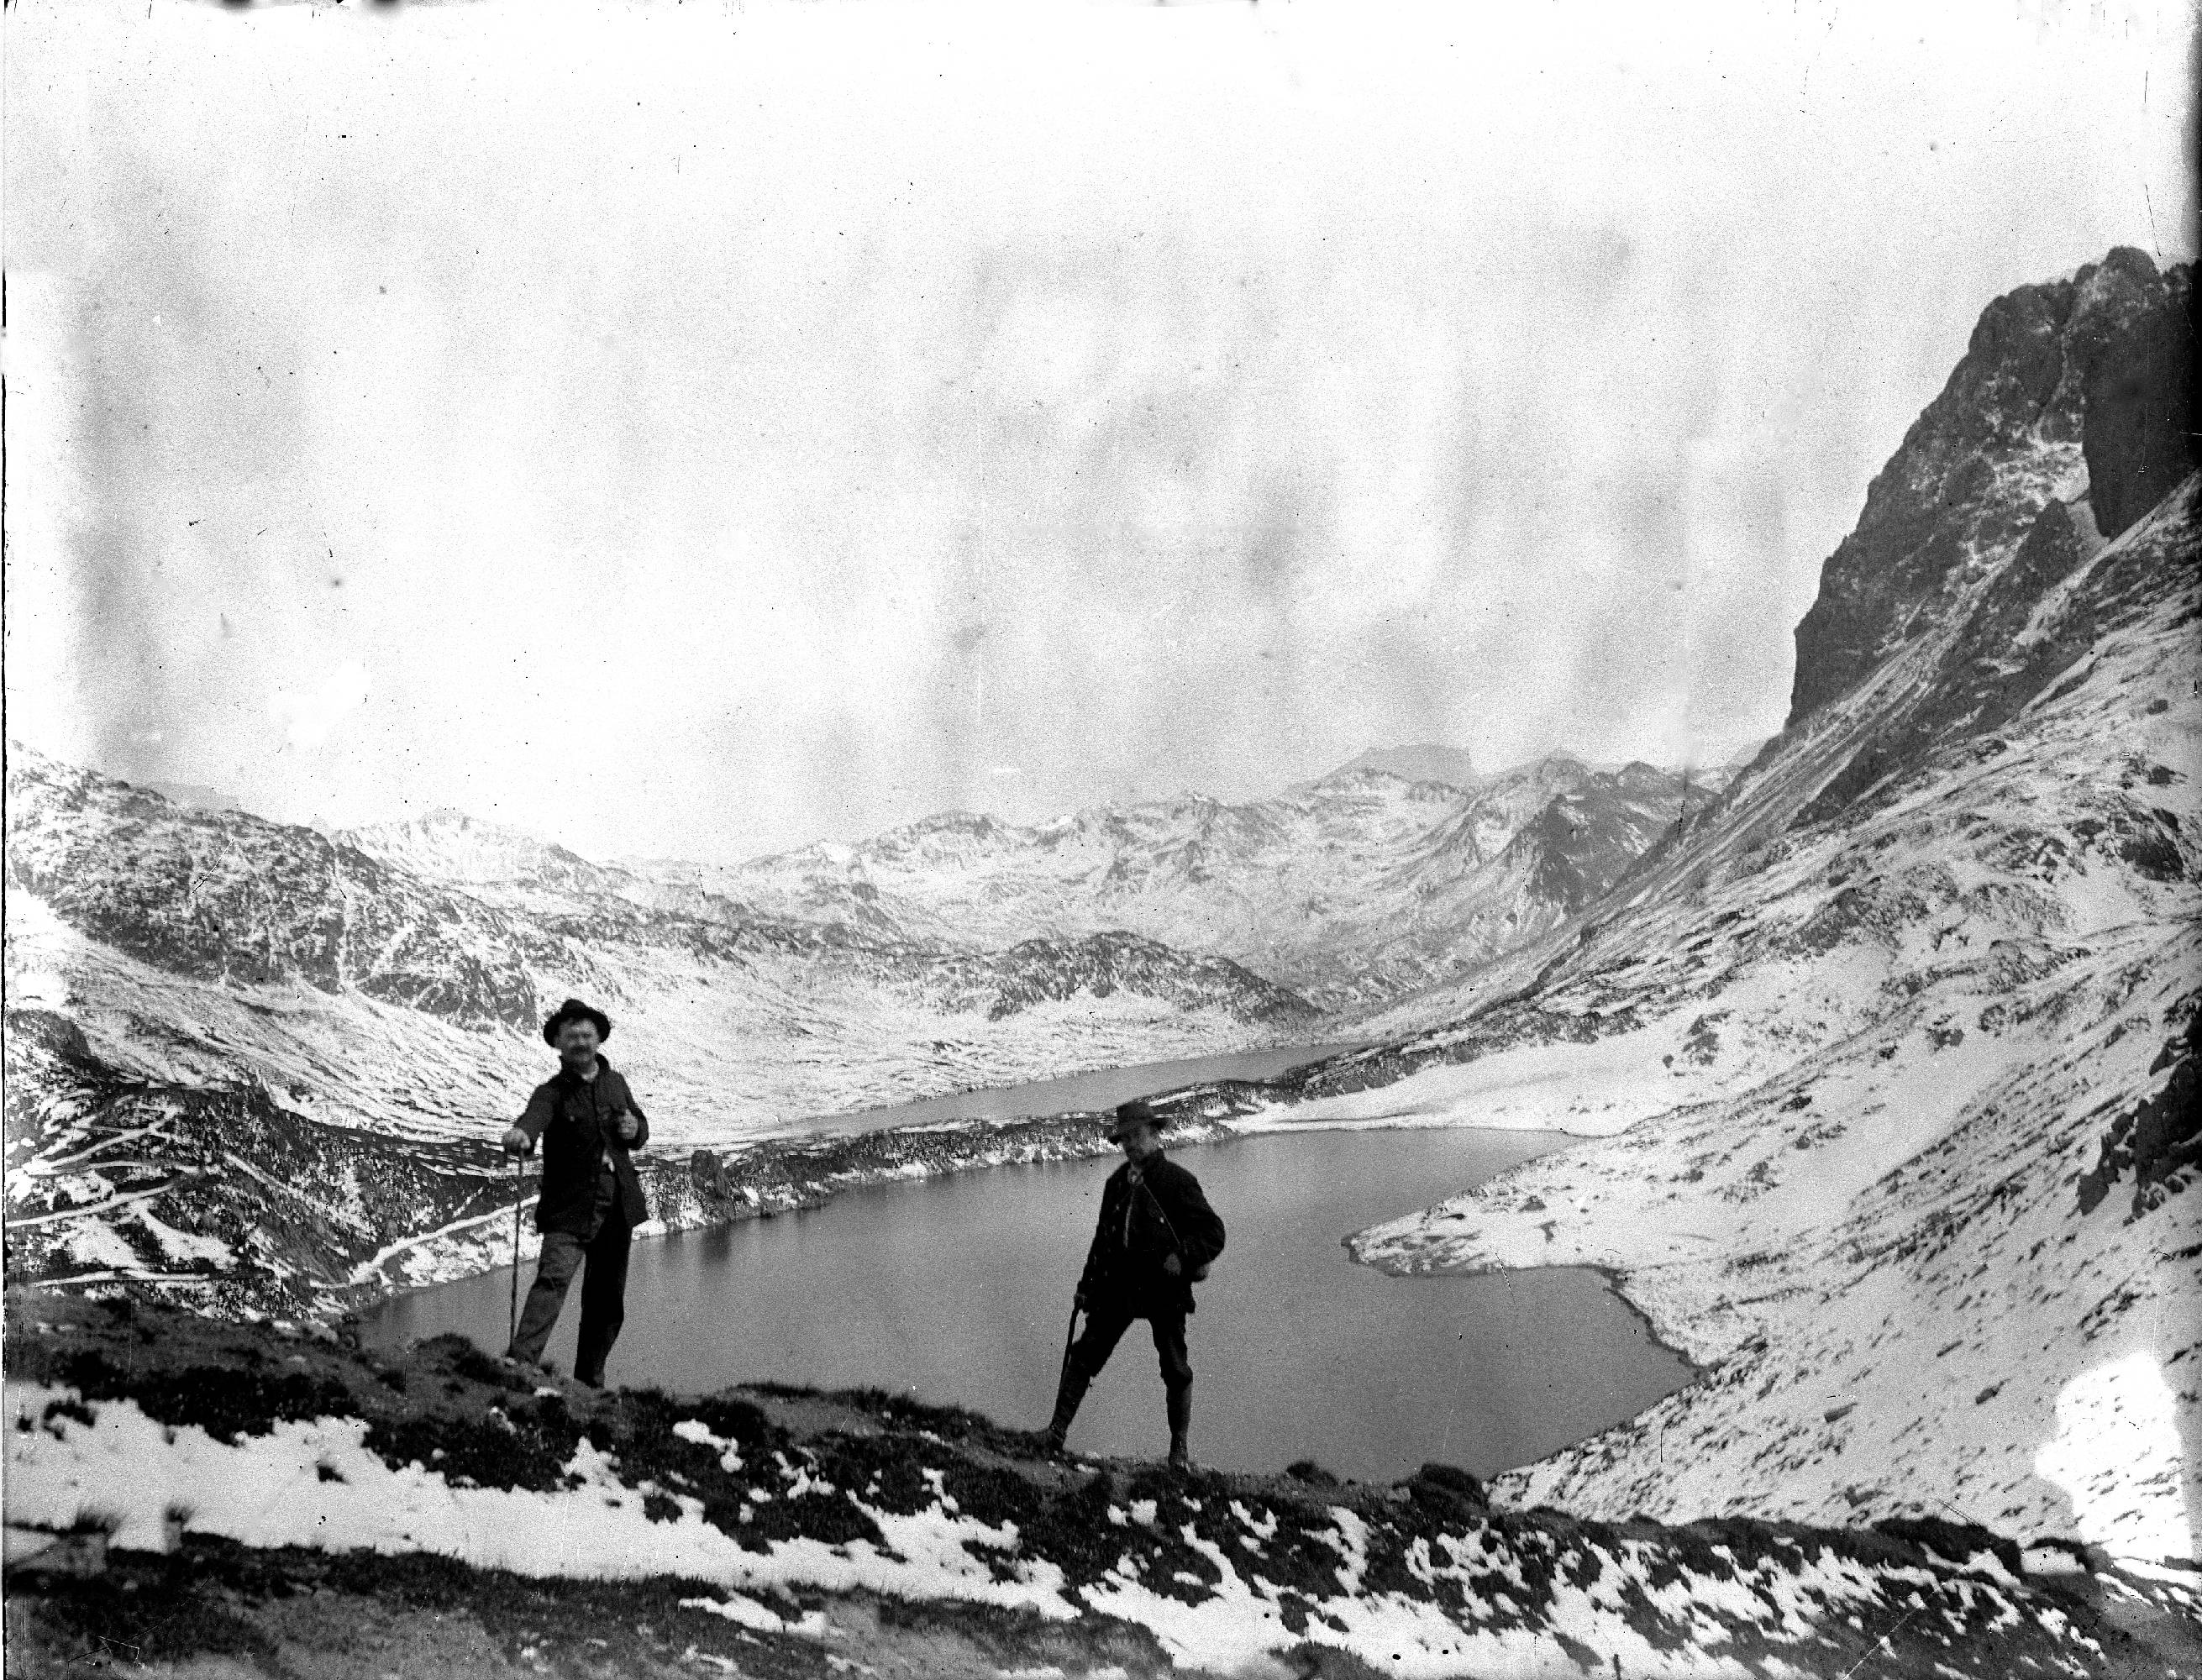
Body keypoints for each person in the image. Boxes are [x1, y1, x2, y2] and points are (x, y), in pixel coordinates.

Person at [1043, 1098, 1226, 1469]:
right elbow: (1102, 1243)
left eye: (1136, 1135)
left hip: (1164, 1290)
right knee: (1085, 1354)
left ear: (1155, 1134)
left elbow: (1213, 1231)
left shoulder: (1177, 1182)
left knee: (1175, 1369)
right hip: (1120, 1288)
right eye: (1124, 1138)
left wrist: (1184, 1255)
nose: (1130, 1144)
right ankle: (1055, 1434)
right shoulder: (1115, 1184)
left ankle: (1179, 1452)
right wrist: (1086, 1286)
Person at [501, 997, 651, 1387]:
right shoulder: (551, 1092)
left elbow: (639, 1129)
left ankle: (590, 1382)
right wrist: (522, 1135)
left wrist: (636, 1130)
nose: (581, 1043)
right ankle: (522, 1365)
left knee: (606, 1300)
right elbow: (534, 1118)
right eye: (572, 1037)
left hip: (617, 1205)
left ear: (599, 1039)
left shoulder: (616, 1083)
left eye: (587, 1035)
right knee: (551, 1283)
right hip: (570, 1207)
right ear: (559, 1044)